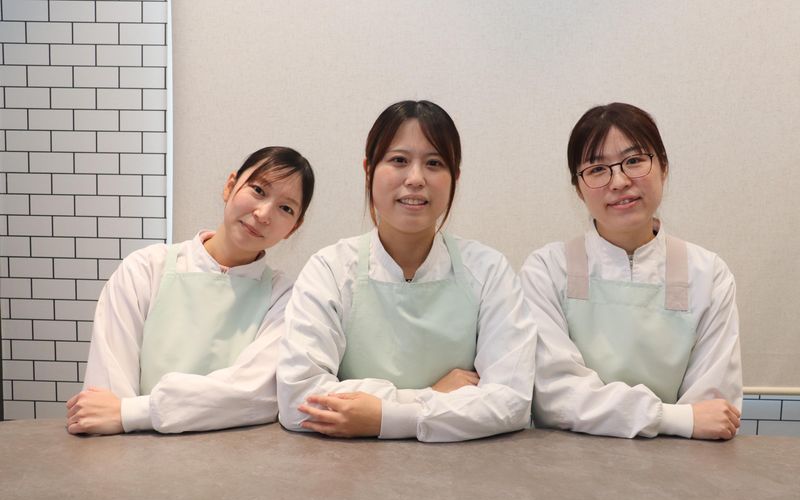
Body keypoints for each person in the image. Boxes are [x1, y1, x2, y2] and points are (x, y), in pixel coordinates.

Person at [277, 100, 536, 442]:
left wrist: (384, 416)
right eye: (399, 160)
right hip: (347, 469)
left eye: (434, 163)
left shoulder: (488, 270)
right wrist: (431, 395)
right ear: (369, 170)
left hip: (463, 468)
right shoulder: (330, 269)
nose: (415, 179)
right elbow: (299, 401)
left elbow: (512, 402)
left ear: (455, 177)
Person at [521, 103, 742, 439]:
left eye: (634, 161)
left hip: (682, 463)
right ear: (578, 188)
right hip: (569, 463)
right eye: (597, 169)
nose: (620, 181)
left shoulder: (708, 274)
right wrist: (672, 418)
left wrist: (687, 421)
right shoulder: (547, 270)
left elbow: (713, 411)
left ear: (663, 167)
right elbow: (556, 396)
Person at [66, 146, 314, 434]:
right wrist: (121, 415)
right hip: (133, 449)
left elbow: (255, 395)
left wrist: (132, 413)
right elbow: (105, 400)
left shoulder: (284, 298)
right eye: (258, 190)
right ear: (230, 186)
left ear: (293, 227)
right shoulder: (146, 269)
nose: (263, 214)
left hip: (237, 455)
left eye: (285, 208)